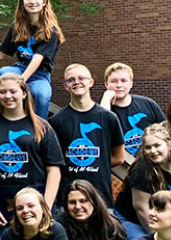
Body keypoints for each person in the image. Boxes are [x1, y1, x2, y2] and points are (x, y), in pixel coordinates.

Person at [0, 74, 64, 227]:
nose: (8, 96)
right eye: (2, 92)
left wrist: (45, 208)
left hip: (35, 202)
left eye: (13, 91)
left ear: (23, 93)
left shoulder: (42, 127)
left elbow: (54, 170)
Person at [0, 0, 64, 120]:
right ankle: (5, 117)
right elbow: (1, 52)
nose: (32, 2)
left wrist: (21, 81)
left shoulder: (51, 31)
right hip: (20, 68)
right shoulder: (17, 27)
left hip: (40, 74)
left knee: (42, 96)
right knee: (3, 72)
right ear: (22, 2)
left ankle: (39, 129)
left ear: (44, 2)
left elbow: (38, 58)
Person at [50, 64, 125, 208]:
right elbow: (53, 163)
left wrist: (96, 162)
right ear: (65, 86)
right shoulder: (56, 122)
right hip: (68, 200)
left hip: (100, 197)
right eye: (71, 80)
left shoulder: (109, 118)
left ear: (91, 82)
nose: (76, 82)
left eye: (81, 78)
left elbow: (119, 157)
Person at [113, 124, 171, 239]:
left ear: (169, 145)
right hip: (133, 219)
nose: (153, 151)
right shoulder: (142, 169)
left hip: (165, 217)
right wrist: (159, 239)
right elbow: (141, 208)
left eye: (157, 145)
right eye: (148, 147)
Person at [100, 63, 166, 156]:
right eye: (113, 81)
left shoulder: (148, 104)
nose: (119, 85)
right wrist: (106, 98)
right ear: (106, 84)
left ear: (131, 83)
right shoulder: (101, 109)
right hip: (120, 166)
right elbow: (101, 134)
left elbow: (166, 132)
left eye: (123, 81)